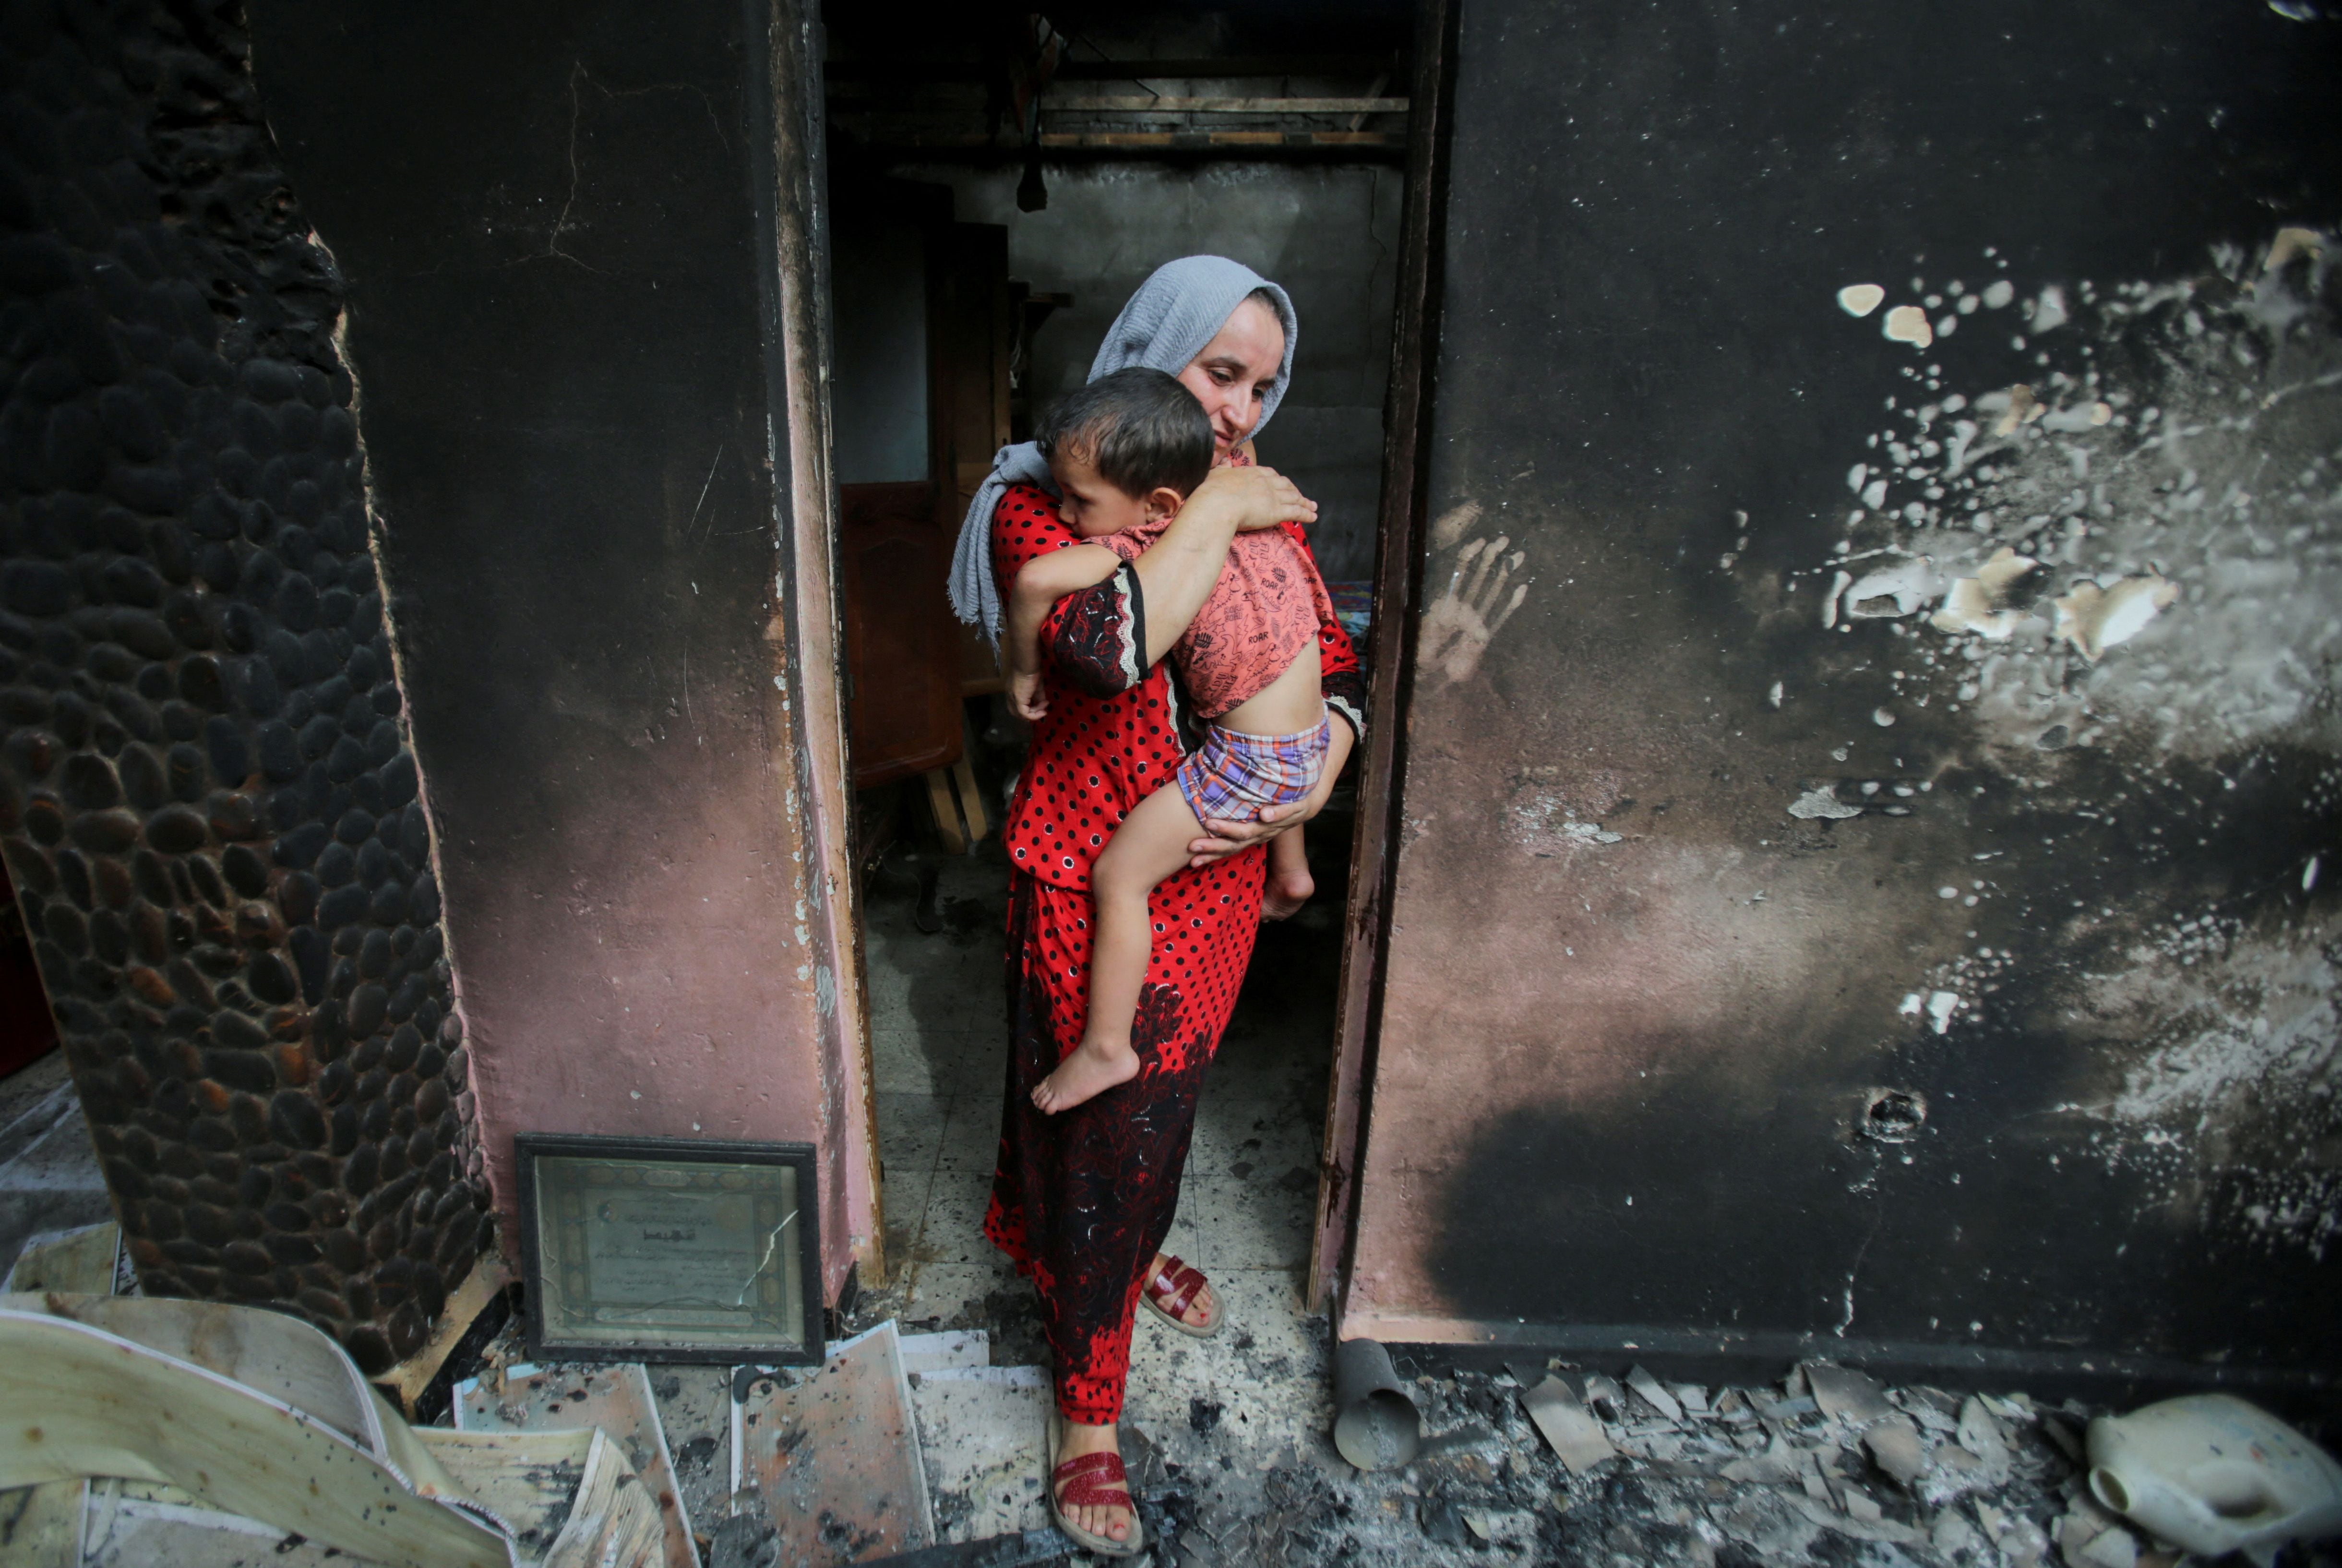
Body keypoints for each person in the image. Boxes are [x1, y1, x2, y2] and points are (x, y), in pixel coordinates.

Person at [947, 255, 1366, 1556]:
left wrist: (1327, 752)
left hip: (1220, 873)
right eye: (1213, 371)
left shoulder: (1249, 502)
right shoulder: (1042, 504)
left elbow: (1333, 663)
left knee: (1153, 1122)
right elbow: (1102, 646)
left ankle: (1112, 1271)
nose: (1240, 408)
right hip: (1090, 870)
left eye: (1260, 383)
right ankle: (1085, 1416)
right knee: (1100, 1129)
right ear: (1143, 353)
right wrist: (1222, 505)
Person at [1003, 368, 1335, 1115]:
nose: (1061, 510)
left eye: (1078, 500)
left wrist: (1020, 667)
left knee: (1120, 876)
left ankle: (1106, 1048)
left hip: (1254, 763)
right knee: (1245, 725)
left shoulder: (1151, 536)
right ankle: (1293, 871)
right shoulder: (1260, 510)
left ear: (1160, 504)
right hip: (1305, 742)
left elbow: (1035, 584)